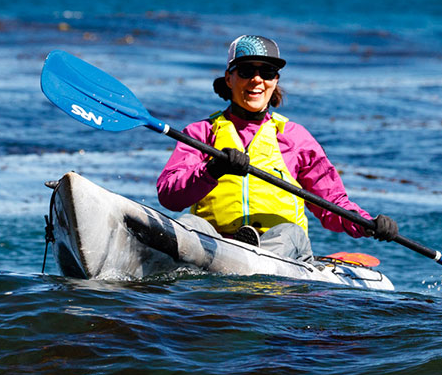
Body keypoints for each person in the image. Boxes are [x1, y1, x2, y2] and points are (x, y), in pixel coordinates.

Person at [156, 34, 399, 261]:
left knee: (289, 232)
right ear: (229, 78)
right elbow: (170, 197)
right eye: (246, 71)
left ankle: (252, 254)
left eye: (268, 72)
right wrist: (212, 170)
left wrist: (369, 224)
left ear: (276, 81)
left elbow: (332, 204)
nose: (257, 79)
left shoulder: (296, 138)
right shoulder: (201, 134)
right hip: (216, 244)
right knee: (190, 222)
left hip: (281, 253)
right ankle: (236, 254)